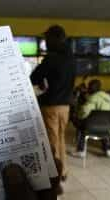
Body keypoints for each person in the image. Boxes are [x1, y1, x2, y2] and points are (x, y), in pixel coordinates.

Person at [31, 25, 75, 179]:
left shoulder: (52, 57)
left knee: (52, 140)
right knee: (61, 138)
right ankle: (63, 170)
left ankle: (55, 173)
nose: (46, 42)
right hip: (66, 107)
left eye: (47, 39)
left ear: (55, 39)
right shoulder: (71, 57)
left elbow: (34, 77)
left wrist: (43, 81)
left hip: (51, 106)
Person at [71, 79, 110, 158]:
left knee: (80, 124)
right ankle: (108, 149)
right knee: (102, 122)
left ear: (92, 88)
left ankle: (81, 150)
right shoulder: (108, 97)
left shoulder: (93, 98)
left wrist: (77, 116)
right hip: (108, 127)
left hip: (93, 127)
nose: (88, 89)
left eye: (89, 87)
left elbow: (84, 112)